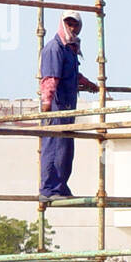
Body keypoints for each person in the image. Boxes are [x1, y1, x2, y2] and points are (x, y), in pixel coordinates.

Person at [39, 10, 99, 200]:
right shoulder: (54, 48)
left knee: (65, 148)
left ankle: (61, 186)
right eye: (69, 24)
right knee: (54, 146)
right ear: (63, 24)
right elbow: (50, 79)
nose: (72, 28)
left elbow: (71, 75)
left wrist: (89, 85)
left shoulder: (69, 49)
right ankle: (49, 189)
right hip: (56, 107)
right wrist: (46, 107)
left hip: (66, 107)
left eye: (75, 24)